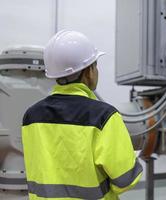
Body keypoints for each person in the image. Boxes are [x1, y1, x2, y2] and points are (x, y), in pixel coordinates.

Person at [22, 30, 142, 200]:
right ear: (88, 72)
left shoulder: (31, 116)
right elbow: (126, 180)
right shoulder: (104, 117)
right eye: (95, 65)